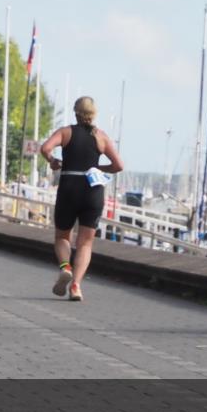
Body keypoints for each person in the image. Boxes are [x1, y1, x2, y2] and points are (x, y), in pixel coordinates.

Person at [39, 96, 123, 301]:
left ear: (75, 112)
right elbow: (118, 165)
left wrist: (52, 161)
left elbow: (45, 148)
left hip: (69, 187)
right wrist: (97, 168)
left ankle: (65, 266)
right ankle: (76, 286)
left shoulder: (65, 132)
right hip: (92, 191)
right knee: (85, 243)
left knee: (62, 237)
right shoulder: (100, 136)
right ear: (94, 114)